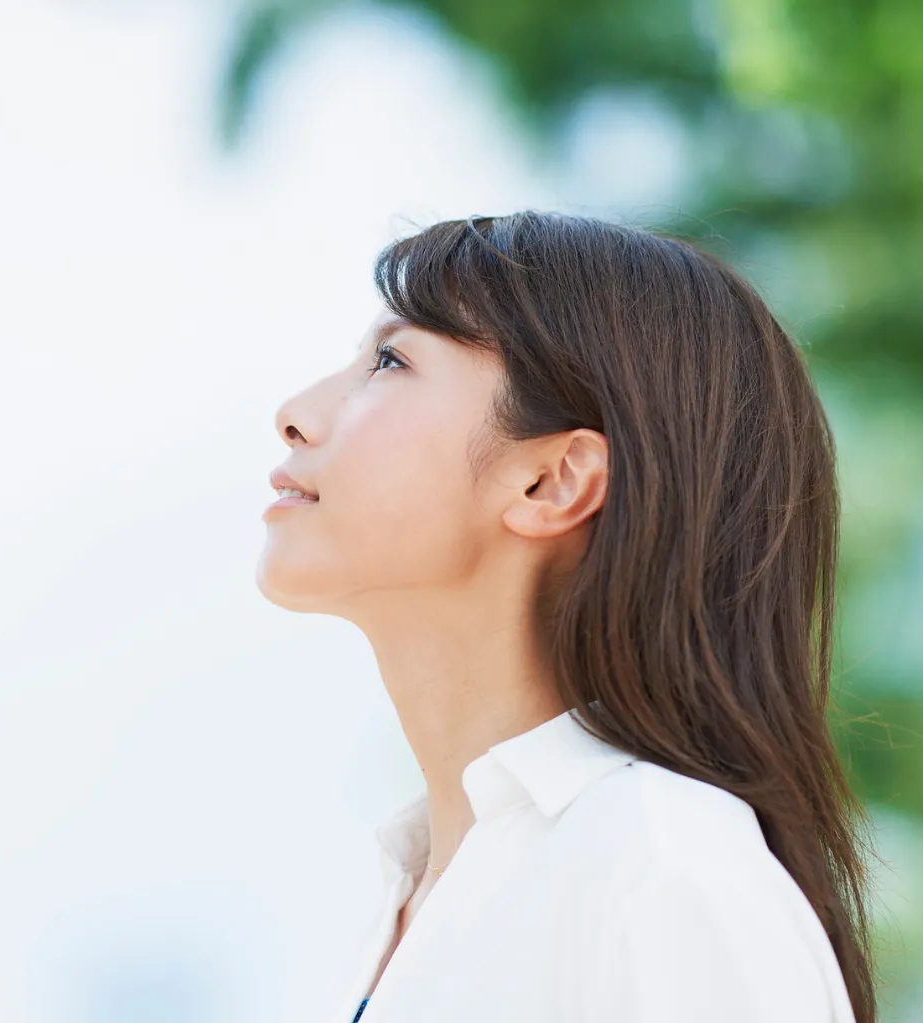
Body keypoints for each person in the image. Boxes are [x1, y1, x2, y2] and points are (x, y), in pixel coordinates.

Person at [256, 212, 879, 1022]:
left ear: (552, 482)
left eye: (389, 361)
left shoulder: (661, 871)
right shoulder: (427, 893)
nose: (294, 413)